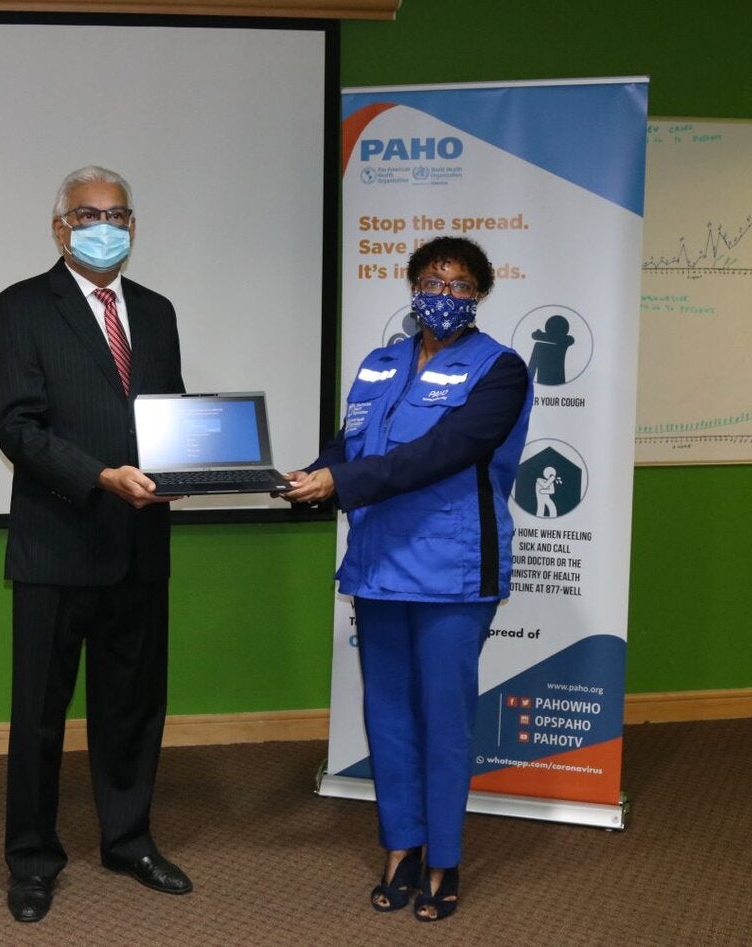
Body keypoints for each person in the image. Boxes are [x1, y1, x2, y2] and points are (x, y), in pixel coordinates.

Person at [281, 235, 531, 923]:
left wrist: (344, 479)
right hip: (378, 567)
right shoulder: (378, 364)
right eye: (431, 279)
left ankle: (445, 858)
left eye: (459, 284)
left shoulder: (500, 370)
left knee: (444, 719)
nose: (443, 294)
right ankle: (402, 847)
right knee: (386, 714)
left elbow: (444, 452)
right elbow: (347, 447)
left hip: (454, 573)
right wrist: (312, 477)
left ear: (479, 294)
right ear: (411, 286)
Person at [0, 165, 192, 923]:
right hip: (58, 539)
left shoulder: (159, 311)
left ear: (132, 226)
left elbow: (169, 418)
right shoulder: (21, 307)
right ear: (59, 225)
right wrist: (99, 476)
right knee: (40, 712)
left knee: (133, 704)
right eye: (88, 213)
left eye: (119, 214)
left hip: (141, 540)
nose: (105, 225)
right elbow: (16, 424)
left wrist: (188, 469)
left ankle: (128, 837)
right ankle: (32, 858)